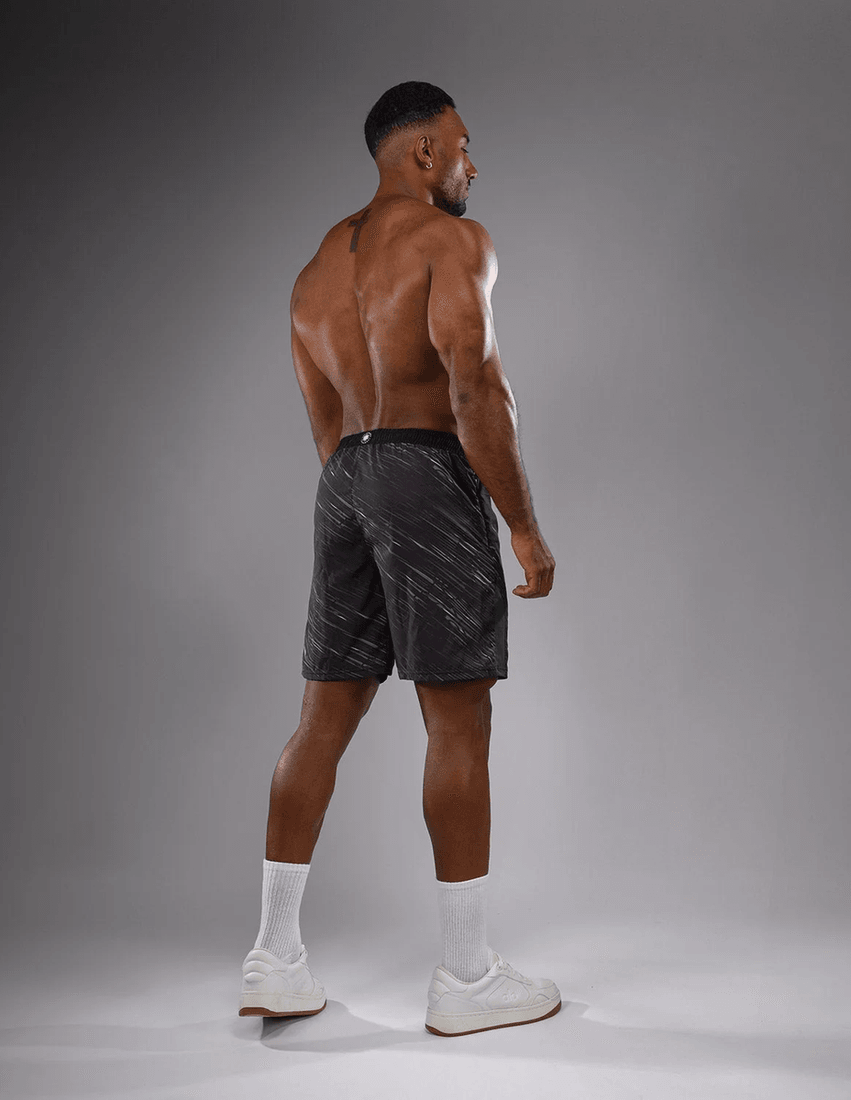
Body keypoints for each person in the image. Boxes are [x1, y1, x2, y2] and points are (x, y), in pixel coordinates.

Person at [239, 81, 559, 1037]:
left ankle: (274, 958)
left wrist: (369, 501)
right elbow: (476, 385)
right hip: (425, 468)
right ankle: (465, 978)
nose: (472, 166)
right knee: (458, 719)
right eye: (463, 147)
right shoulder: (454, 242)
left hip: (346, 479)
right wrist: (523, 525)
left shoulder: (312, 273)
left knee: (321, 719)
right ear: (423, 152)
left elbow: (325, 423)